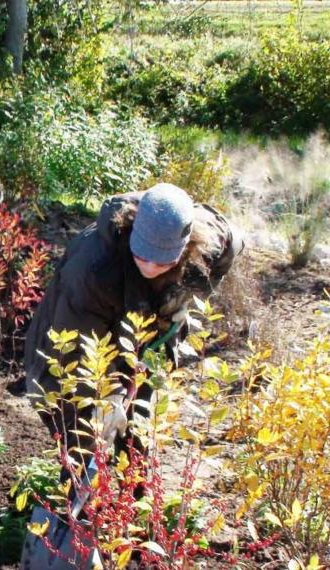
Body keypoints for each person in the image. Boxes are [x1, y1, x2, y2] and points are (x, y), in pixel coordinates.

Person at [21, 183, 243, 568]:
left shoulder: (207, 240)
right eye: (143, 255)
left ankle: (132, 532)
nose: (150, 265)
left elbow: (233, 244)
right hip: (69, 348)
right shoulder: (94, 268)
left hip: (142, 348)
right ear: (132, 229)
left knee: (138, 438)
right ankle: (71, 527)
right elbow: (71, 354)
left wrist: (181, 304)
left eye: (163, 261)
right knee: (79, 440)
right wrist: (99, 406)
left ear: (185, 246)